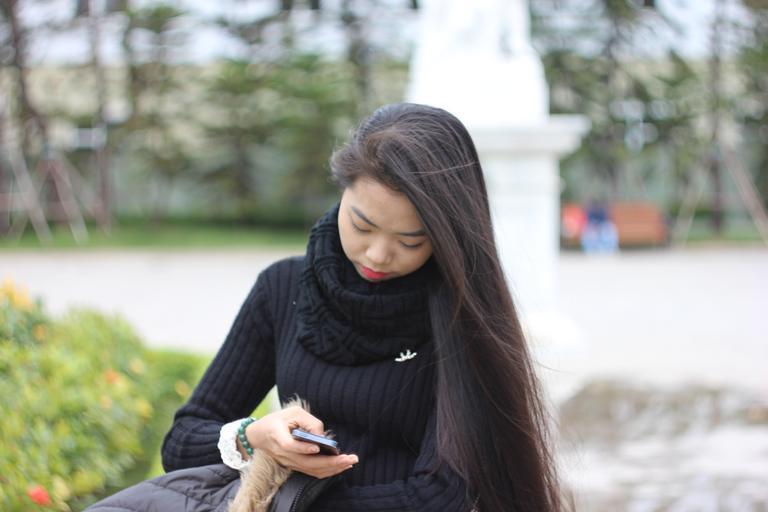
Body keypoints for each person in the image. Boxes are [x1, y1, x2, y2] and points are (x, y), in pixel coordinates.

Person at [89, 103, 563, 511]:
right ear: (341, 190)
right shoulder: (283, 288)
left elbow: (442, 495)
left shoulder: (459, 317)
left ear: (448, 237)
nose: (378, 255)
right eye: (362, 225)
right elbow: (182, 443)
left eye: (410, 241)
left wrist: (293, 502)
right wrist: (254, 436)